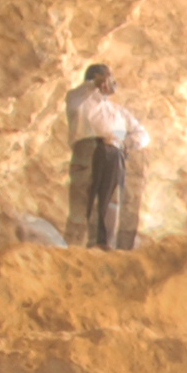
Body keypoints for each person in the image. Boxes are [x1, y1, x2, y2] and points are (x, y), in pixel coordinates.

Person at [64, 63, 143, 250]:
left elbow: (142, 134)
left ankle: (103, 245)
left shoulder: (117, 111)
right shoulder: (79, 100)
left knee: (110, 201)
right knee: (83, 197)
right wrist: (94, 84)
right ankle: (74, 245)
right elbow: (80, 93)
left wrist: (125, 143)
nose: (112, 83)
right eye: (108, 78)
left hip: (113, 152)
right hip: (88, 148)